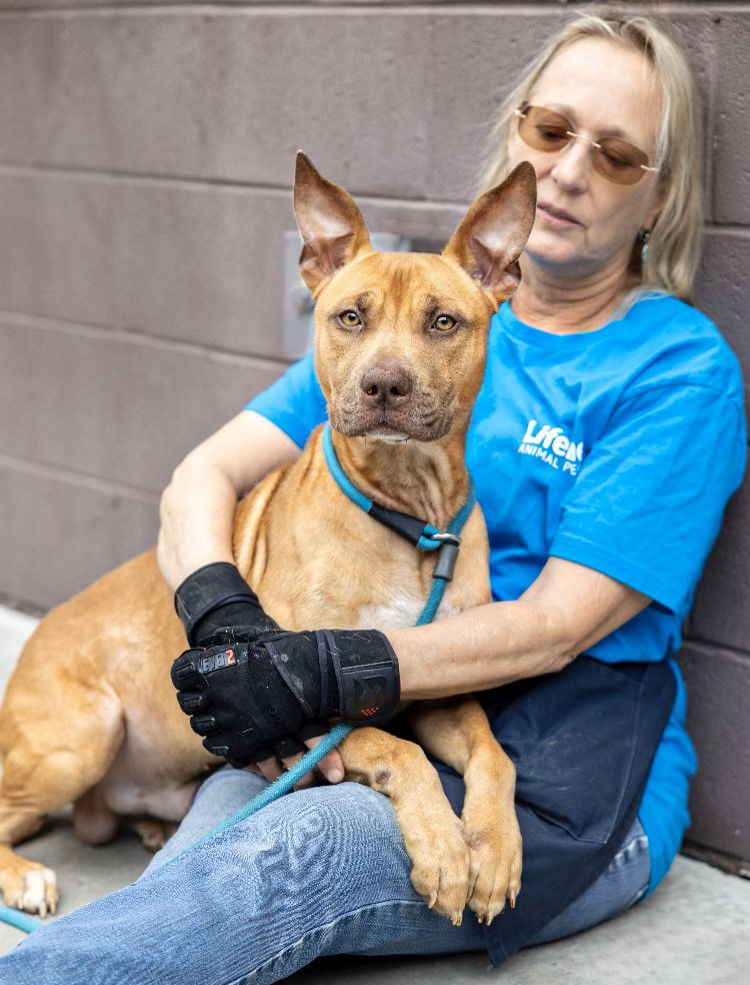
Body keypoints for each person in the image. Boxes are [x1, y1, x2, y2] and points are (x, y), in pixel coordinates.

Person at [2, 10, 745, 983]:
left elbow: (555, 628)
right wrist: (229, 616)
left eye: (615, 156)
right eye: (551, 131)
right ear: (514, 139)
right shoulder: (390, 317)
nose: (569, 171)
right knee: (199, 876)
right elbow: (202, 479)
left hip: (568, 760)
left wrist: (321, 669)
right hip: (369, 714)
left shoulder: (675, 369)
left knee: (269, 870)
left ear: (658, 200)